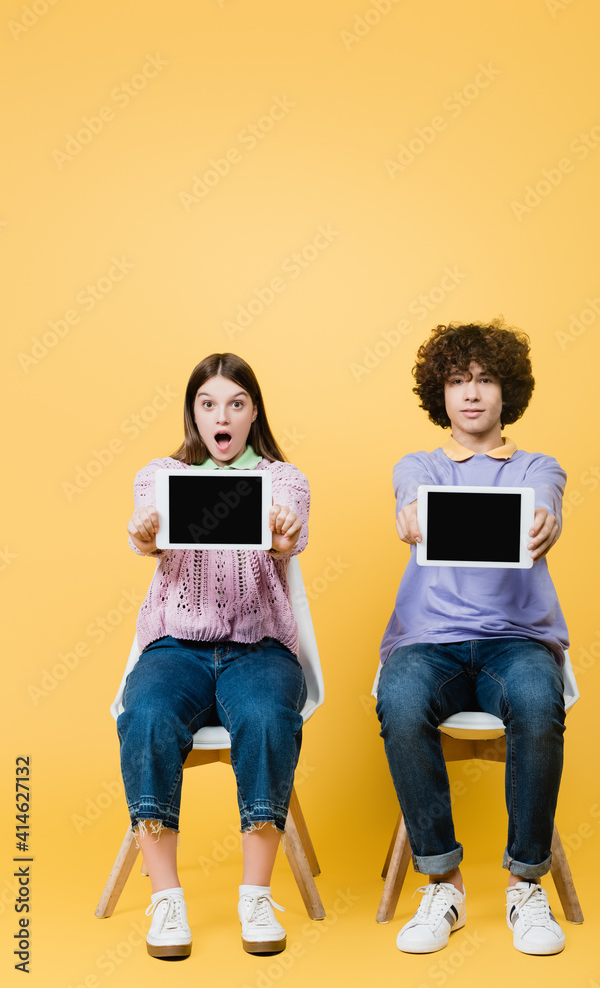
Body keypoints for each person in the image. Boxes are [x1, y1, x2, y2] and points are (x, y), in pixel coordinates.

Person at [376, 320, 570, 956]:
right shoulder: (420, 465)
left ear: (505, 390)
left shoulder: (536, 467)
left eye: (485, 380)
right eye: (458, 381)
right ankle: (442, 882)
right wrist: (410, 516)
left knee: (539, 704)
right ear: (441, 393)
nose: (472, 393)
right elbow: (410, 497)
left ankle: (525, 883)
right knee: (400, 703)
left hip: (516, 641)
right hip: (428, 642)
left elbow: (546, 500)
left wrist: (545, 520)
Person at [117, 352, 310, 960]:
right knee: (144, 714)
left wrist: (282, 538)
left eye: (235, 403)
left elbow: (294, 529)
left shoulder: (284, 480)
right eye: (208, 404)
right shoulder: (160, 474)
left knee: (267, 718)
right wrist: (146, 533)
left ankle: (255, 894)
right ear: (193, 414)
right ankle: (167, 897)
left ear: (253, 414)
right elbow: (141, 528)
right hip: (177, 648)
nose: (221, 415)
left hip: (259, 649)